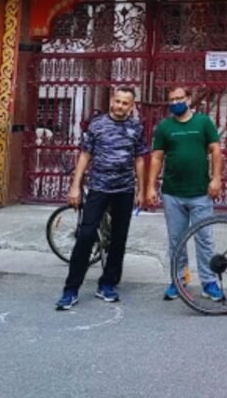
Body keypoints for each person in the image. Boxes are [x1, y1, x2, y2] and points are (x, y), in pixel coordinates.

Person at [55, 86, 147, 310]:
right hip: (99, 188)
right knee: (86, 236)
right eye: (117, 101)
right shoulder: (97, 125)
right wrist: (75, 186)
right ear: (111, 102)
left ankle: (107, 283)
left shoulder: (136, 128)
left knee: (118, 238)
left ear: (131, 106)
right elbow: (85, 155)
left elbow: (139, 160)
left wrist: (142, 190)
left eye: (125, 103)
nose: (120, 106)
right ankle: (71, 289)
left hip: (124, 190)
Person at [146, 86, 223, 302]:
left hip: (200, 192)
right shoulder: (164, 127)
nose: (176, 102)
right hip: (173, 193)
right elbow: (157, 158)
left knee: (205, 239)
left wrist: (216, 178)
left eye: (179, 98)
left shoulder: (203, 122)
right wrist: (150, 187)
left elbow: (216, 150)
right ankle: (179, 279)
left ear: (189, 99)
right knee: (176, 240)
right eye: (171, 100)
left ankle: (209, 282)